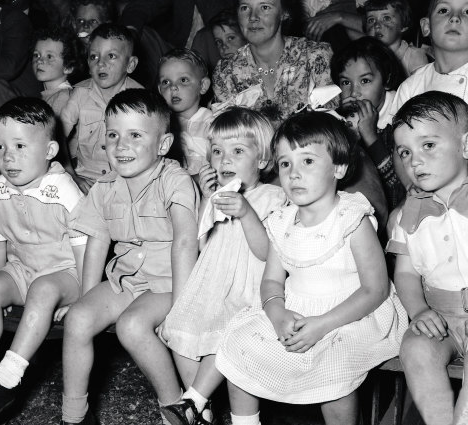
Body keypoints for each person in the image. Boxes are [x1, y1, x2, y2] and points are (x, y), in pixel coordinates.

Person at [214, 111, 407, 425]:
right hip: (297, 308)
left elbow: (376, 289)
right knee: (240, 345)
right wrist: (277, 313)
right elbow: (272, 282)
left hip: (351, 312)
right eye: (285, 163)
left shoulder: (351, 219)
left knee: (333, 366)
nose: (293, 174)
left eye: (307, 161)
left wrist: (323, 324)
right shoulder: (281, 222)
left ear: (339, 167)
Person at [60, 89, 200, 425]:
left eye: (135, 135)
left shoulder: (175, 180)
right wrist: (86, 297)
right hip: (126, 278)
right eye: (113, 135)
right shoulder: (105, 187)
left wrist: (182, 308)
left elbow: (184, 242)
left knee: (132, 325)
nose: (121, 145)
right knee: (78, 318)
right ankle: (75, 415)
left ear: (163, 145)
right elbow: (97, 242)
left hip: (171, 282)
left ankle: (176, 410)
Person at [0, 97, 87, 423]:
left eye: (19, 145)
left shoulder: (62, 190)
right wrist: (2, 285)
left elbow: (85, 249)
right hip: (22, 268)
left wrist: (84, 298)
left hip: (66, 272)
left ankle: (7, 379)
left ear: (49, 151)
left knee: (43, 290)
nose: (8, 156)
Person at [159, 107, 287, 425]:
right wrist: (206, 198)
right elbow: (204, 243)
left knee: (229, 337)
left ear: (261, 160)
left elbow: (266, 253)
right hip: (217, 285)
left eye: (237, 151)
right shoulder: (218, 195)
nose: (224, 160)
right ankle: (201, 410)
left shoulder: (272, 196)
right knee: (179, 327)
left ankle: (193, 402)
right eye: (217, 151)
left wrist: (246, 214)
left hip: (253, 291)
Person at [387, 91, 468, 425]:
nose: (414, 160)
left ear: (466, 145)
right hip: (440, 315)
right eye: (405, 151)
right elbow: (405, 273)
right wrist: (418, 310)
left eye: (428, 145)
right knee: (417, 348)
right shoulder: (410, 212)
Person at [212, 0, 336, 130]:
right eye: (245, 8)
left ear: (284, 13)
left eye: (264, 7)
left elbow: (331, 129)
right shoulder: (226, 73)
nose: (253, 17)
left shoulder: (315, 57)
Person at [60, 23, 142, 195]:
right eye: (94, 57)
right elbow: (57, 136)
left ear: (131, 64)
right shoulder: (80, 94)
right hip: (85, 179)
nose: (101, 63)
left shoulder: (140, 98)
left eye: (111, 56)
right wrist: (71, 174)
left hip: (126, 181)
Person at [331, 36, 407, 211]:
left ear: (386, 80)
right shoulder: (340, 117)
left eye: (365, 81)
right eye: (346, 82)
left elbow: (398, 194)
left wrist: (370, 136)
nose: (354, 92)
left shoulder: (399, 119)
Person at [389, 0, 468, 118]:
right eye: (444, 10)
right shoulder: (410, 87)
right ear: (426, 26)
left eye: (467, 11)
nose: (455, 18)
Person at [157, 48, 212, 177]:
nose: (173, 87)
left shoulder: (211, 124)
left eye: (183, 80)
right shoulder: (161, 125)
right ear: (159, 90)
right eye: (166, 82)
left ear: (203, 85)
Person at [363, 0, 430, 76]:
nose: (377, 25)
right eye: (371, 20)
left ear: (403, 26)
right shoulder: (366, 58)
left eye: (386, 18)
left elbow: (422, 85)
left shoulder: (414, 56)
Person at [32, 27, 77, 119]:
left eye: (49, 56)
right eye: (36, 55)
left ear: (68, 67)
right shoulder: (49, 96)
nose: (39, 60)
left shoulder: (63, 98)